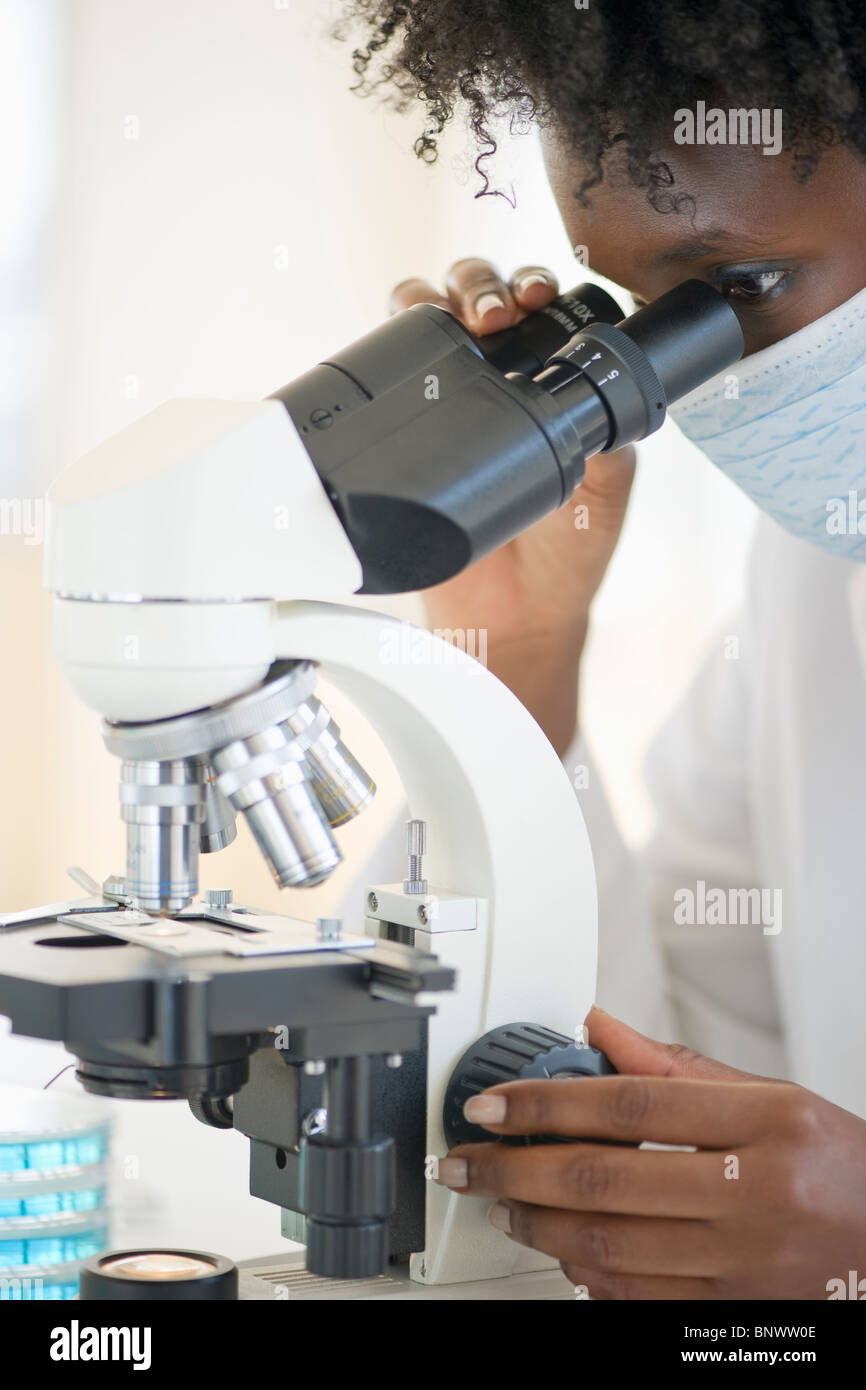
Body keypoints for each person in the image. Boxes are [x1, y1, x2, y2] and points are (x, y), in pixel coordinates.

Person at [338, 2, 866, 1299]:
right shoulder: (810, 578)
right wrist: (518, 650)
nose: (686, 375)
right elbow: (663, 1071)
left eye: (737, 288)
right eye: (639, 304)